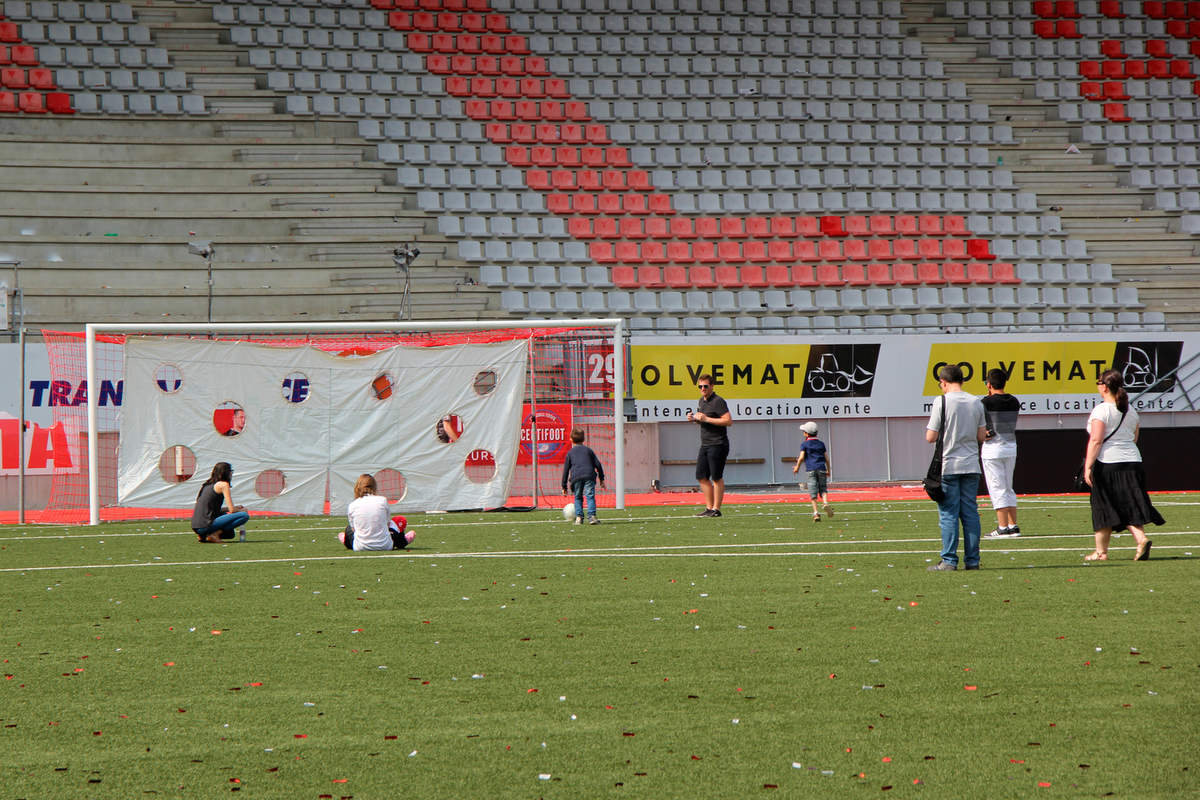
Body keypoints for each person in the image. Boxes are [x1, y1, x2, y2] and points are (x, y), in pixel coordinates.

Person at [1082, 369, 1164, 562]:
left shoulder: (1101, 410)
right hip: (1132, 461)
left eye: (1098, 382)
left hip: (1109, 463)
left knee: (1103, 505)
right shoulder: (1130, 409)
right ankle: (1140, 539)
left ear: (1104, 386)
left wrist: (1088, 466)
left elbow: (1096, 440)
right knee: (1128, 504)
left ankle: (1101, 552)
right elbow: (1134, 437)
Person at [925, 364, 988, 571]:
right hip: (971, 464)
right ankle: (973, 560)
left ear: (943, 382)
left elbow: (930, 436)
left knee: (948, 513)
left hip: (948, 464)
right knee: (970, 513)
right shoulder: (976, 402)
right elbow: (981, 436)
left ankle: (949, 561)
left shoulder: (941, 401)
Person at [981, 368, 1022, 538]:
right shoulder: (1014, 401)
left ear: (989, 384)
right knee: (1008, 487)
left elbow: (982, 426)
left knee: (997, 488)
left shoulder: (985, 402)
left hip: (993, 449)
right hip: (1010, 446)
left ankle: (1003, 527)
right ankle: (1013, 525)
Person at [687, 374, 732, 518]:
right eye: (700, 386)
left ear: (712, 386)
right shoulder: (702, 401)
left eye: (705, 386)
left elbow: (728, 421)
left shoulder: (718, 401)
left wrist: (706, 418)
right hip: (705, 444)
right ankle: (709, 507)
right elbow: (704, 421)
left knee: (717, 477)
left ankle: (716, 509)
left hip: (718, 443)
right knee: (701, 476)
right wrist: (695, 419)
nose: (702, 389)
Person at [341, 473, 416, 551]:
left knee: (349, 529)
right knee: (399, 520)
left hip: (360, 547)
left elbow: (354, 530)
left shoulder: (352, 505)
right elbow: (387, 524)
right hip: (385, 545)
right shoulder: (382, 500)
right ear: (375, 487)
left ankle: (346, 541)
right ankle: (403, 541)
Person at [190, 461, 249, 543]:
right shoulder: (223, 485)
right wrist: (241, 510)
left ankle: (204, 535)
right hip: (206, 524)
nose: (231, 474)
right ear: (226, 473)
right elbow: (232, 510)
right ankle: (214, 534)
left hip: (196, 526)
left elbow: (212, 509)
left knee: (230, 534)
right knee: (243, 515)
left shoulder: (207, 485)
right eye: (231, 472)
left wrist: (235, 508)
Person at [560, 427, 606, 525]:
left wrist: (564, 486)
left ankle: (579, 518)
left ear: (571, 439)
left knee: (578, 497)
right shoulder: (589, 451)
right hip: (589, 475)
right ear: (584, 439)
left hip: (576, 477)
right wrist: (601, 478)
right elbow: (598, 464)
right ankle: (592, 517)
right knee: (590, 496)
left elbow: (566, 470)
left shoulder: (570, 453)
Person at [793, 421, 833, 522]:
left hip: (811, 469)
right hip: (821, 468)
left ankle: (816, 513)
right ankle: (825, 503)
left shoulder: (805, 444)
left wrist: (797, 467)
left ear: (806, 433)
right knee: (823, 488)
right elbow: (827, 459)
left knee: (813, 492)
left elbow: (802, 457)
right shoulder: (821, 444)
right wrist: (828, 469)